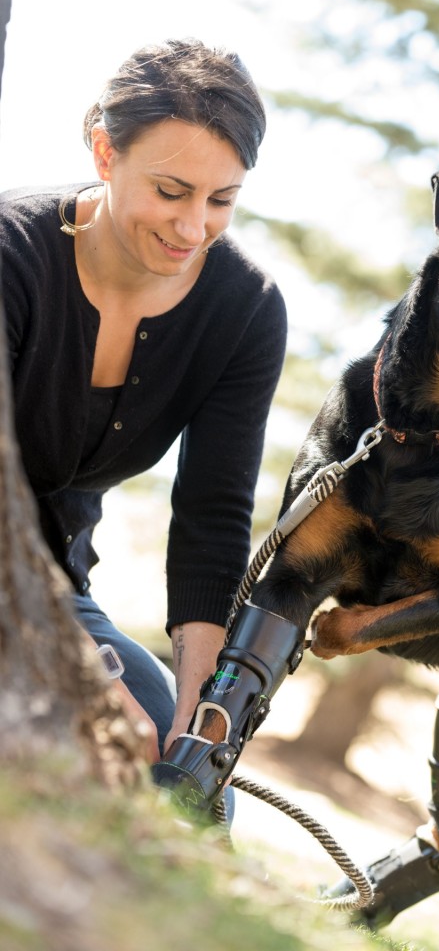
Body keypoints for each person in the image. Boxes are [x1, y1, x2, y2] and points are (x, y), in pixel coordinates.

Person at [0, 39, 287, 793]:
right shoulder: (10, 256)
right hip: (15, 588)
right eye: (171, 190)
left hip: (56, 584)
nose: (193, 227)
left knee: (176, 774)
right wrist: (83, 671)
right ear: (104, 151)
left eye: (220, 200)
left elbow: (212, 516)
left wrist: (199, 717)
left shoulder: (245, 311)